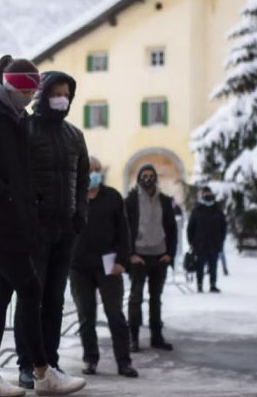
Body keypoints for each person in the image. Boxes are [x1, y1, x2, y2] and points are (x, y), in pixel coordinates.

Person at [0, 55, 86, 397]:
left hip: (13, 217)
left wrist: (32, 195)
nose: (33, 99)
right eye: (31, 92)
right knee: (30, 291)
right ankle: (42, 372)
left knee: (0, 296)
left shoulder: (13, 115)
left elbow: (18, 167)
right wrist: (5, 194)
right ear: (20, 88)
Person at [13, 71, 89, 389]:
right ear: (43, 94)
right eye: (57, 92)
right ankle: (27, 364)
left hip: (65, 229)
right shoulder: (25, 128)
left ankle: (51, 363)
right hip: (34, 230)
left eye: (67, 94)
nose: (63, 99)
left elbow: (83, 179)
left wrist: (79, 215)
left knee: (55, 300)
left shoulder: (74, 135)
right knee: (31, 298)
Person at [69, 156, 138, 378]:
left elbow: (123, 232)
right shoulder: (73, 197)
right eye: (89, 170)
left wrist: (122, 261)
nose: (93, 174)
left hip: (108, 264)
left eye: (97, 170)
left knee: (115, 314)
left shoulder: (113, 197)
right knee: (86, 315)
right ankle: (90, 359)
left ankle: (124, 362)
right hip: (79, 266)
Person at [125, 164, 178, 352]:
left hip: (159, 257)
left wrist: (170, 253)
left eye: (151, 175)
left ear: (156, 178)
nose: (147, 178)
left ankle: (157, 336)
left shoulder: (164, 200)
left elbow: (172, 229)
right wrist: (130, 254)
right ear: (139, 178)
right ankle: (133, 338)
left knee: (156, 298)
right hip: (138, 258)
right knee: (135, 298)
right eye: (144, 175)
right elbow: (124, 229)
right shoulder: (131, 200)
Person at [187, 186, 227, 293]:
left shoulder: (217, 209)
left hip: (214, 243)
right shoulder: (197, 210)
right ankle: (199, 284)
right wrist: (191, 242)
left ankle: (213, 284)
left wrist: (221, 240)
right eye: (205, 193)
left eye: (208, 192)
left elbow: (223, 226)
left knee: (213, 266)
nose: (207, 195)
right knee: (200, 266)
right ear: (202, 195)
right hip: (200, 244)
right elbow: (190, 227)